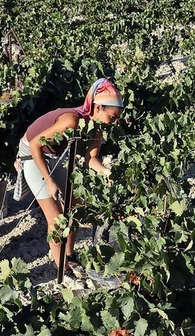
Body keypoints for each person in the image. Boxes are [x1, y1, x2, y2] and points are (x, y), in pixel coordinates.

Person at [16, 78, 123, 272]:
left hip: (56, 154)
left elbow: (92, 160)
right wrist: (49, 181)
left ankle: (69, 255)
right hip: (33, 155)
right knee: (56, 218)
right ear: (98, 108)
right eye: (113, 117)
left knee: (75, 208)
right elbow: (35, 145)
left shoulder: (97, 128)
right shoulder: (71, 121)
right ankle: (62, 271)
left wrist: (108, 173)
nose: (115, 123)